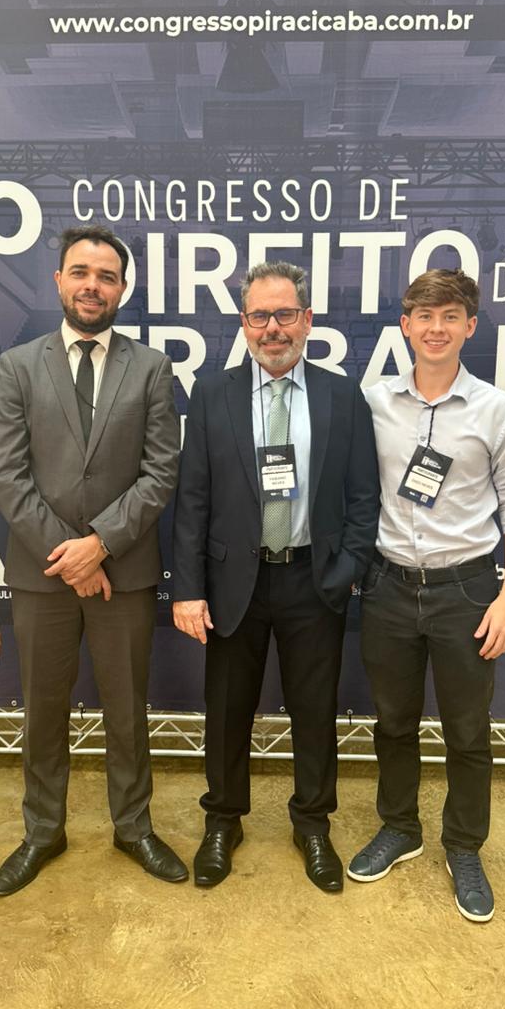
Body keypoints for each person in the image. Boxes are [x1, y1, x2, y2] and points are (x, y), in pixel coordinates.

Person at [0, 223, 187, 896]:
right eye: (80, 272)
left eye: (106, 276)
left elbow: (161, 472)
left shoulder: (151, 368)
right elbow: (7, 475)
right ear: (59, 281)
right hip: (41, 575)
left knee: (127, 708)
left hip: (122, 574)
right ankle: (43, 831)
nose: (92, 286)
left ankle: (133, 828)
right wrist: (70, 556)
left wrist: (99, 544)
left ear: (122, 288)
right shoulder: (19, 366)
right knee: (43, 710)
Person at [173, 261, 379, 892]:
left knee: (315, 712)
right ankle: (223, 821)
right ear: (243, 323)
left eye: (284, 314)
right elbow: (192, 499)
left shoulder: (343, 396)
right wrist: (188, 589)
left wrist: (346, 570)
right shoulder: (212, 394)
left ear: (307, 319)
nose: (272, 328)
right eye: (259, 316)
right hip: (234, 582)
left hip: (313, 581)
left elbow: (363, 497)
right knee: (226, 711)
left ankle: (312, 824)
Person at [351, 268, 505, 922]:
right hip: (388, 587)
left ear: (470, 326)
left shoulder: (499, 411)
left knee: (467, 731)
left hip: (467, 590)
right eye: (425, 316)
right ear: (406, 326)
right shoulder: (372, 403)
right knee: (393, 723)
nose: (436, 328)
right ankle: (400, 827)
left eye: (450, 316)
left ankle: (463, 846)